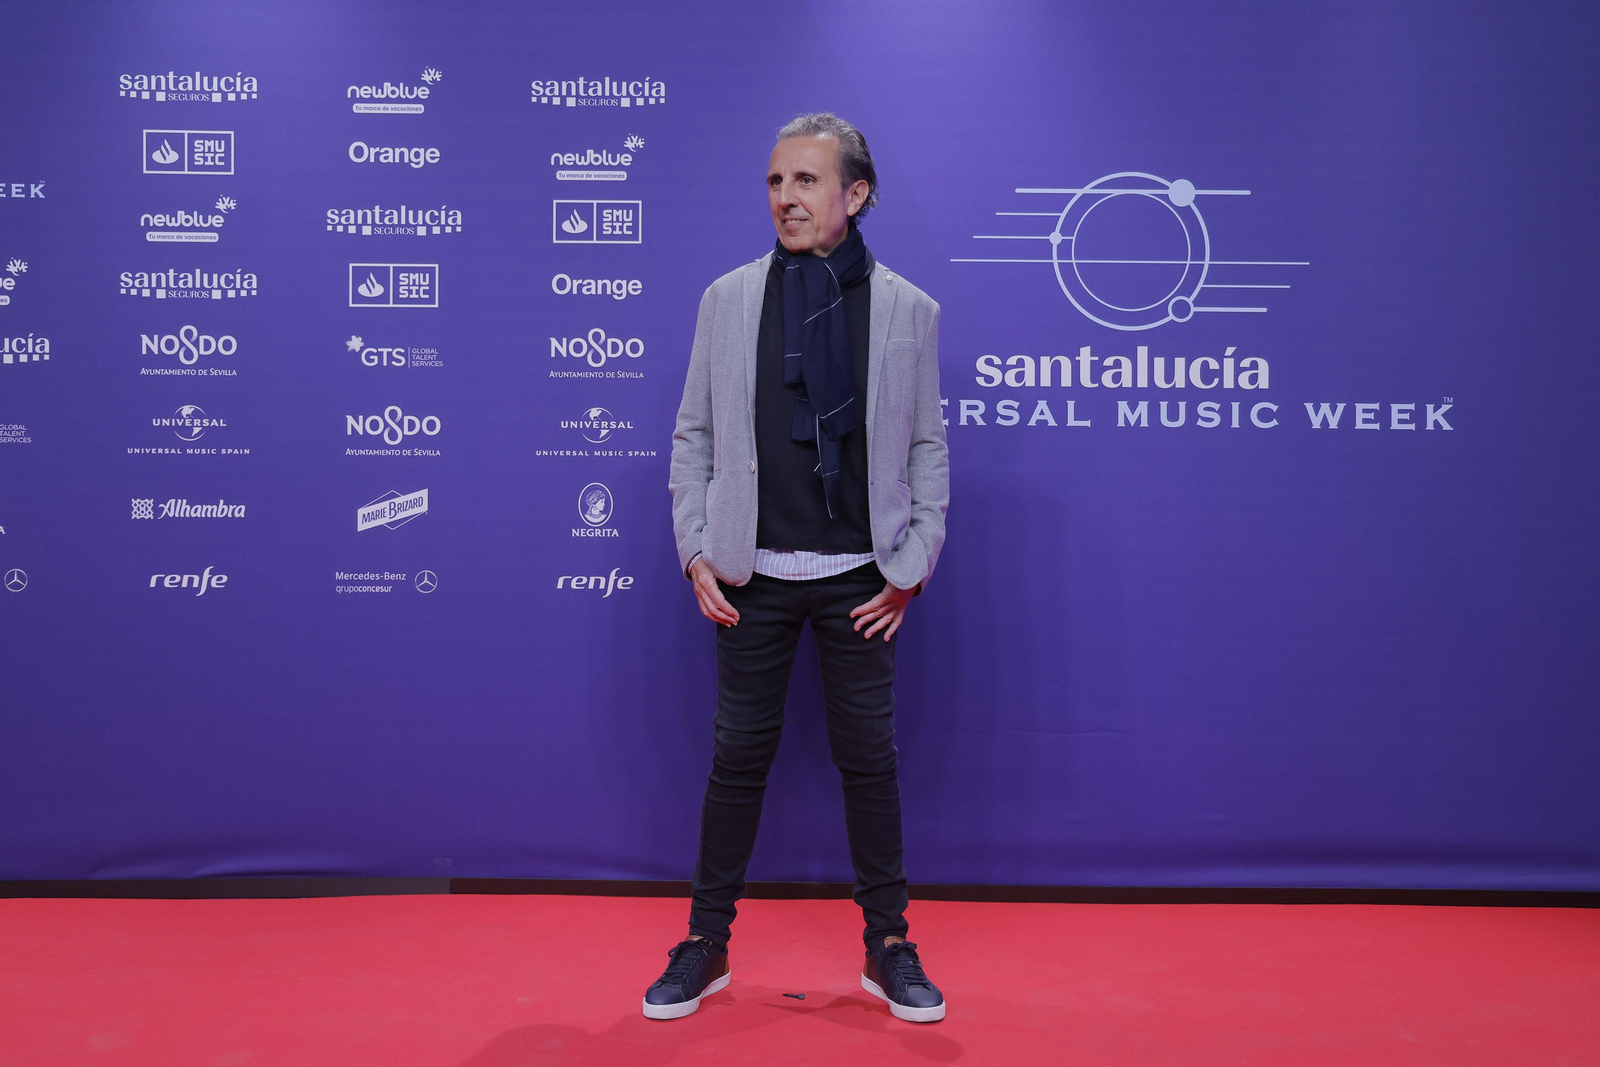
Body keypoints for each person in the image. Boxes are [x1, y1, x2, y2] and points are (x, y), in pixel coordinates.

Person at [646, 112, 950, 1023]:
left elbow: (927, 446)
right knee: (737, 758)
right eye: (776, 181)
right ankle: (705, 943)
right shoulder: (729, 299)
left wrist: (915, 563)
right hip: (753, 577)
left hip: (863, 576)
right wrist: (695, 547)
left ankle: (888, 944)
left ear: (855, 195)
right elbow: (693, 435)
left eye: (807, 182)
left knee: (870, 760)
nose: (786, 197)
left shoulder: (908, 309)